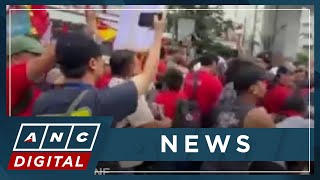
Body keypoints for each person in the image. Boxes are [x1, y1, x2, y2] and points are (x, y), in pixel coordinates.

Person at [33, 14, 167, 122]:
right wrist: (158, 34)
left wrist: (92, 22)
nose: (104, 62)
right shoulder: (100, 102)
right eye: (101, 59)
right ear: (92, 64)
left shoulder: (42, 101)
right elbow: (147, 75)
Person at [108, 49, 171, 128]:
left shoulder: (111, 84)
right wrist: (166, 123)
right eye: (138, 63)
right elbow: (147, 126)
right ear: (131, 67)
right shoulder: (131, 91)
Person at [6, 36, 56, 116]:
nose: (44, 65)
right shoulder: (8, 78)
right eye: (37, 55)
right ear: (16, 59)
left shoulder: (40, 95)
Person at [183, 53, 223, 128]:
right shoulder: (214, 82)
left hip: (186, 116)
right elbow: (220, 102)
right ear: (213, 64)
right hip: (205, 120)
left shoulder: (187, 76)